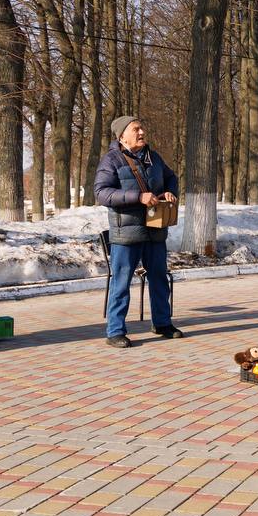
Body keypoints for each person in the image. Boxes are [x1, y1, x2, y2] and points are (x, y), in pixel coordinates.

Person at [95, 115, 180, 347]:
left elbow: (171, 177)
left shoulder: (153, 157)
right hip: (126, 234)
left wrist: (169, 192)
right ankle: (115, 331)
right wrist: (138, 197)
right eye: (136, 129)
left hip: (154, 230)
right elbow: (102, 193)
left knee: (159, 279)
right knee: (121, 283)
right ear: (122, 135)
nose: (142, 132)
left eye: (142, 128)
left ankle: (162, 323)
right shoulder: (111, 160)